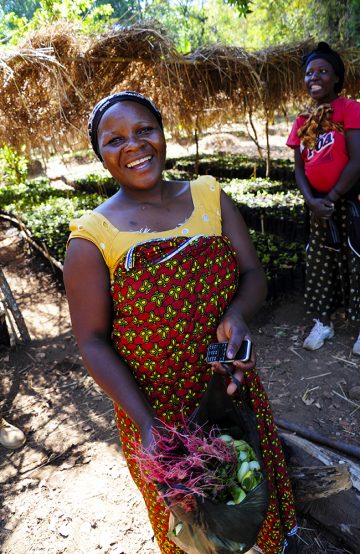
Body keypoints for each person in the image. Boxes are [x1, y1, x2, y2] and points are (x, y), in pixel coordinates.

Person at [64, 91, 297, 554]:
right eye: (115, 140)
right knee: (195, 526)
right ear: (100, 155)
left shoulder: (209, 196)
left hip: (228, 386)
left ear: (163, 133)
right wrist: (149, 427)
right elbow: (91, 341)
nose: (134, 145)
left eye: (145, 130)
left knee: (249, 492)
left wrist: (237, 317)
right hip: (155, 409)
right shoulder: (92, 238)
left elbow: (253, 275)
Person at [287, 42, 360, 354]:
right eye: (309, 72)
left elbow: (357, 161)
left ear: (336, 79)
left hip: (349, 201)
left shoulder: (350, 109)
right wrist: (312, 202)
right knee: (319, 261)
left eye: (322, 71)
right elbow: (299, 170)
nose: (314, 76)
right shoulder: (303, 121)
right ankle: (323, 322)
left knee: (356, 259)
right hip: (318, 207)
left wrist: (331, 196)